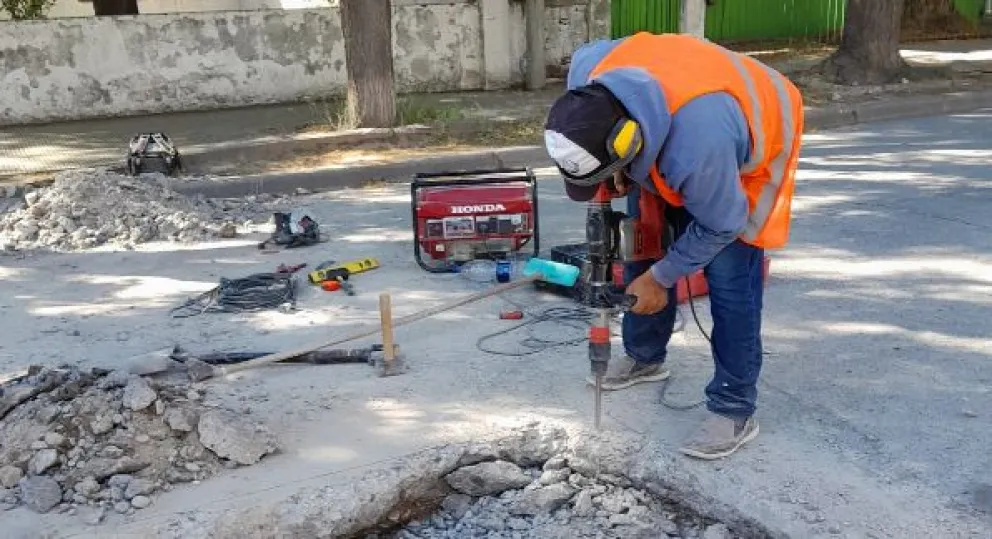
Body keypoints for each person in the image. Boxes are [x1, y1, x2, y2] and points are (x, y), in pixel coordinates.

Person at [543, 32, 804, 460]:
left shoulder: (696, 148)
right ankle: (645, 356)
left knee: (728, 273)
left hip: (757, 123)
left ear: (627, 144)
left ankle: (733, 407)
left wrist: (663, 277)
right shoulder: (586, 77)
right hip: (671, 113)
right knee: (642, 241)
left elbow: (723, 223)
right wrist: (616, 182)